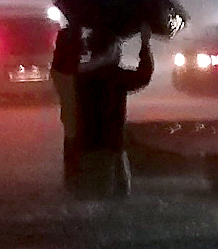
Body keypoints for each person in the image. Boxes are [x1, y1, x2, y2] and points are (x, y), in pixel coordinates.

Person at [50, 24, 153, 197]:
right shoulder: (113, 76)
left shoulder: (77, 76)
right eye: (117, 48)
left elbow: (64, 63)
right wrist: (145, 43)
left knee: (89, 190)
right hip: (110, 145)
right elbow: (144, 74)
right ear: (111, 50)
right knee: (108, 192)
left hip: (85, 144)